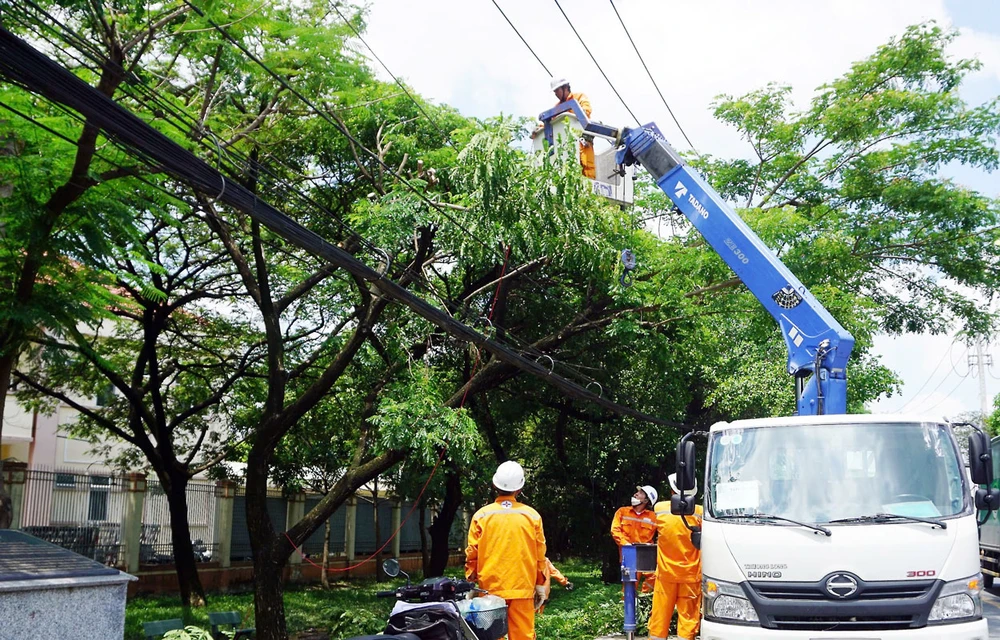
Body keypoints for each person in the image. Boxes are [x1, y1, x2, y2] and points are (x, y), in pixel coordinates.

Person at [465, 461, 547, 640]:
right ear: (520, 487)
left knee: (491, 635)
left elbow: (473, 553)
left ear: (495, 485)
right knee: (523, 636)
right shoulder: (532, 516)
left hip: (490, 591)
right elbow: (540, 554)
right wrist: (540, 584)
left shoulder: (482, 516)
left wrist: (471, 582)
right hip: (522, 588)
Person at [648, 473, 703, 640]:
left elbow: (647, 535)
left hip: (666, 575)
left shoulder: (660, 509)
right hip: (691, 576)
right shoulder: (700, 511)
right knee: (688, 621)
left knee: (659, 619)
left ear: (672, 489)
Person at [611, 484, 658, 593]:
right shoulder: (622, 512)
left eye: (640, 493)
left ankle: (644, 599)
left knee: (654, 578)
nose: (636, 494)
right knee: (629, 586)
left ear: (646, 500)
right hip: (628, 554)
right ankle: (627, 607)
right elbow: (615, 530)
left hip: (646, 556)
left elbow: (662, 533)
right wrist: (625, 543)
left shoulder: (653, 516)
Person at [550, 77, 596, 179]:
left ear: (565, 88)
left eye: (557, 91)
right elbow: (550, 123)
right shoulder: (556, 108)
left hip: (583, 143)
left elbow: (586, 111)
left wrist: (571, 114)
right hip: (567, 146)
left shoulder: (579, 97)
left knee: (587, 171)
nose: (555, 94)